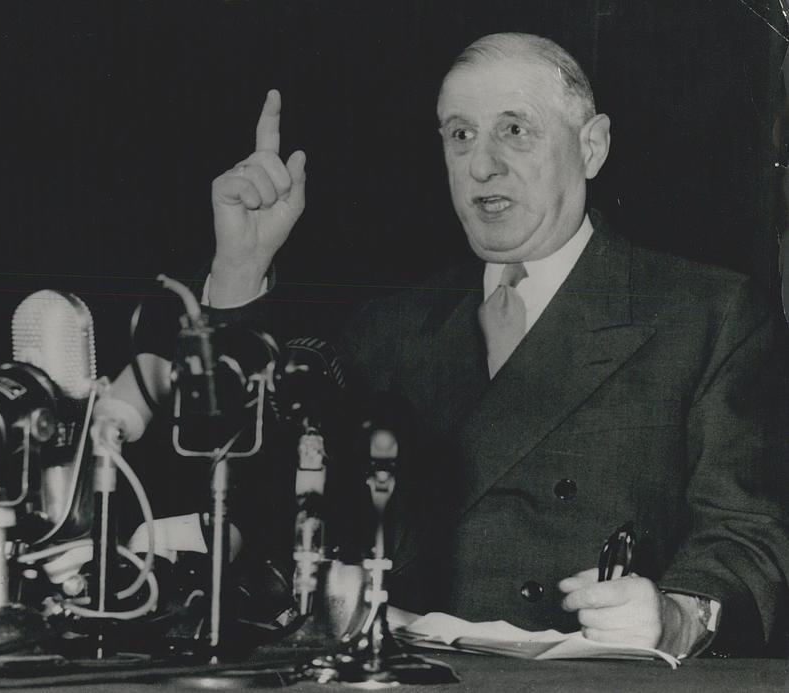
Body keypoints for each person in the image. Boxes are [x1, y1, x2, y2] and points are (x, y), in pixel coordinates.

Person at [142, 32, 789, 658]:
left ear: (591, 148)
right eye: (460, 134)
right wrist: (238, 270)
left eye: (514, 129)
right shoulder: (392, 324)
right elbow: (254, 499)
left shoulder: (707, 312)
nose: (481, 164)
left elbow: (746, 536)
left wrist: (677, 616)